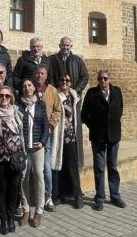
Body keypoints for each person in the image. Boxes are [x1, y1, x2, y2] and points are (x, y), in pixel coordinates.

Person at [81, 69, 125, 211]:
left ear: (109, 79)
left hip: (114, 136)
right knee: (99, 168)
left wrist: (113, 124)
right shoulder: (92, 93)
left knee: (112, 166)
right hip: (98, 137)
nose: (103, 81)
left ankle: (115, 196)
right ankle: (99, 197)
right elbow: (84, 114)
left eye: (105, 78)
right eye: (100, 79)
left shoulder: (117, 91)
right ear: (97, 80)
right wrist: (93, 126)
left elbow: (120, 109)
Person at [0, 85, 25, 234]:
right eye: (1, 96)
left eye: (7, 96)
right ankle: (3, 219)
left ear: (11, 97)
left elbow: (22, 134)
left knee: (14, 189)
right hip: (0, 158)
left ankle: (11, 217)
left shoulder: (17, 112)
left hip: (16, 158)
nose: (4, 98)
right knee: (1, 189)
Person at [17, 78, 48, 227]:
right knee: (23, 178)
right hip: (23, 148)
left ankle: (39, 212)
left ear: (34, 88)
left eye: (29, 85)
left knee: (39, 177)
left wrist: (42, 141)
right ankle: (26, 210)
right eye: (24, 86)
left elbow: (45, 126)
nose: (27, 88)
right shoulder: (19, 105)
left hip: (37, 148)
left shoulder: (41, 104)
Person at [51, 73, 84, 209]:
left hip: (71, 136)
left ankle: (77, 195)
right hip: (58, 135)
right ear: (59, 82)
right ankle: (60, 194)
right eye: (62, 79)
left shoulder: (75, 96)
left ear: (70, 83)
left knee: (72, 166)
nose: (64, 81)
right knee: (58, 166)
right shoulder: (55, 95)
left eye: (67, 80)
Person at [33, 65, 61, 212]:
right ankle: (34, 198)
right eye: (37, 73)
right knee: (28, 168)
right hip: (30, 134)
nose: (39, 76)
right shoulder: (29, 88)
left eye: (42, 73)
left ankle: (47, 197)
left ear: (46, 75)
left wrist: (50, 125)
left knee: (46, 167)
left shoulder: (52, 91)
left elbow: (58, 110)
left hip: (46, 135)